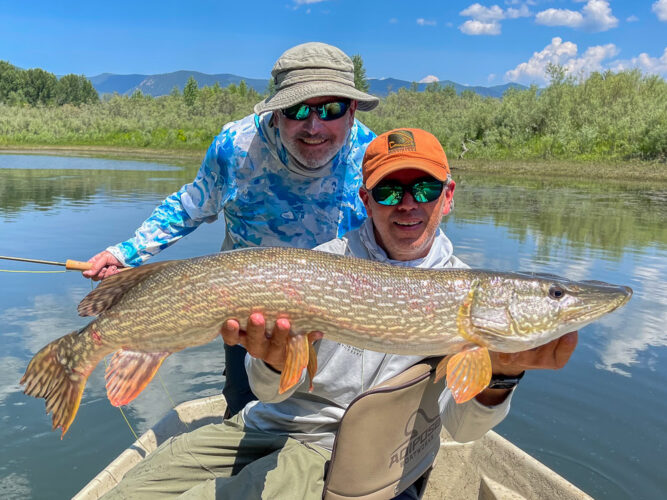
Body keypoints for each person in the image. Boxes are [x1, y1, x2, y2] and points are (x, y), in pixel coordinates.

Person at [102, 128, 578, 499]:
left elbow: (461, 428)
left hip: (345, 453)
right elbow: (271, 389)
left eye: (424, 189)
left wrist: (503, 376)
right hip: (263, 423)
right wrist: (268, 360)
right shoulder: (323, 260)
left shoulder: (465, 291)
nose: (408, 203)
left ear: (447, 196)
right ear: (366, 200)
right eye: (389, 192)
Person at [83, 42, 380, 416]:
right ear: (275, 112)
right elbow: (190, 206)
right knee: (244, 411)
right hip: (244, 310)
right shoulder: (236, 148)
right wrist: (125, 253)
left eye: (331, 108)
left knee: (332, 419)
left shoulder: (373, 157)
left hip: (342, 312)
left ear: (352, 110)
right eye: (297, 108)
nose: (314, 125)